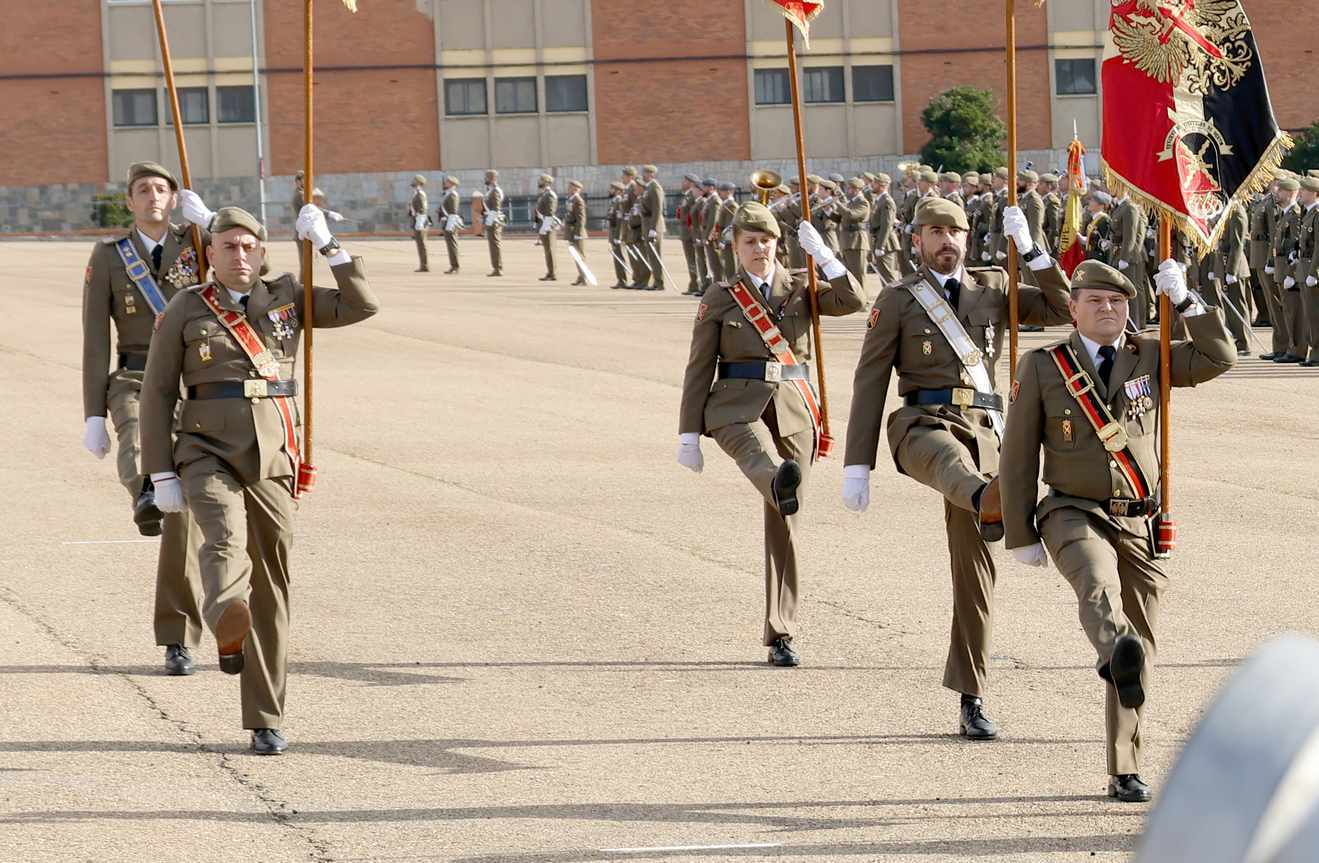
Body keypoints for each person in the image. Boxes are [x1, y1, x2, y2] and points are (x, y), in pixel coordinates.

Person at [141, 202, 379, 754]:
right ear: (211, 252)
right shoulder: (186, 306)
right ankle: (225, 614)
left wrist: (328, 246)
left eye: (249, 245)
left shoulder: (288, 297)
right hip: (204, 447)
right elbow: (156, 393)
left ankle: (265, 716)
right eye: (228, 245)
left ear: (263, 253)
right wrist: (159, 471)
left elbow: (361, 305)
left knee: (274, 581)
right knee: (222, 537)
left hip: (272, 453)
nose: (239, 254)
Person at [1000, 258, 1235, 802]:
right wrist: (1020, 532)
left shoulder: (1150, 354)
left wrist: (1188, 303)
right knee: (1098, 587)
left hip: (1138, 517)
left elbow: (1219, 357)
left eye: (1119, 302)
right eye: (1097, 301)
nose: (1109, 310)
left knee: (1143, 643)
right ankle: (1112, 651)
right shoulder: (1042, 365)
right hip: (1071, 510)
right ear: (1074, 307)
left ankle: (1124, 765)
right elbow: (1017, 453)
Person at [841, 199, 1072, 739]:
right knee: (953, 468)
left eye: (956, 232)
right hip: (922, 423)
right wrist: (858, 464)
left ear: (968, 239)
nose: (947, 241)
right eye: (935, 232)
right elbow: (870, 380)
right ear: (916, 240)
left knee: (974, 573)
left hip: (988, 429)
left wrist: (1034, 251)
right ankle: (987, 498)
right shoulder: (897, 300)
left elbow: (1063, 309)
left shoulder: (994, 287)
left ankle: (972, 694)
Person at [677, 203, 865, 666]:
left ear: (778, 245)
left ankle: (781, 630)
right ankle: (776, 477)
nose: (759, 249)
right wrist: (687, 433)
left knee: (785, 517)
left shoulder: (803, 286)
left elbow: (854, 300)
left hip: (794, 405)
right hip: (735, 407)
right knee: (766, 465)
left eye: (766, 241)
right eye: (749, 242)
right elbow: (699, 364)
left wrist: (825, 256)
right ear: (736, 247)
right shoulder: (721, 295)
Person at [84, 161, 204, 676]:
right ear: (129, 202)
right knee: (137, 437)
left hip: (192, 386)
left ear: (174, 198)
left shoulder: (201, 242)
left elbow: (253, 284)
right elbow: (94, 338)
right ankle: (146, 493)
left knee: (186, 523)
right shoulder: (108, 257)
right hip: (134, 377)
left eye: (161, 188)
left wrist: (217, 224)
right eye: (142, 190)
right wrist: (92, 412)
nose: (152, 196)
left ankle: (177, 636)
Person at [868, 172, 900, 285]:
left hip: (886, 243)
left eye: (875, 183)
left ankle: (895, 302)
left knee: (888, 276)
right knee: (883, 275)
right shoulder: (880, 200)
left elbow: (886, 225)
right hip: (880, 240)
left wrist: (881, 245)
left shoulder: (887, 201)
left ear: (883, 185)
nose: (872, 185)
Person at [640, 165, 667, 291]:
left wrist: (653, 228)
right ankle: (656, 281)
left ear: (652, 174)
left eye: (646, 173)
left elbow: (657, 209)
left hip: (653, 225)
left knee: (655, 255)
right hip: (647, 224)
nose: (643, 175)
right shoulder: (648, 187)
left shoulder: (655, 187)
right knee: (651, 255)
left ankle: (659, 282)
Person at [677, 174, 701, 294]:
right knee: (690, 259)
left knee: (695, 258)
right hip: (685, 232)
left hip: (691, 232)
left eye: (685, 181)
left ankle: (696, 284)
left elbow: (694, 216)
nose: (683, 183)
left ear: (691, 183)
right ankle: (693, 283)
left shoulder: (693, 196)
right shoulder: (687, 196)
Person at [534, 173, 559, 282]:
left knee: (550, 250)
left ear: (547, 182)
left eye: (542, 180)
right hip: (543, 224)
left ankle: (553, 273)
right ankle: (549, 272)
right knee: (547, 250)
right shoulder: (543, 194)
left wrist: (544, 227)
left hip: (548, 225)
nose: (539, 182)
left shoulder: (550, 195)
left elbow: (550, 212)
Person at [436, 175, 462, 274]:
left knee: (452, 245)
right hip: (446, 221)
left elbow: (453, 212)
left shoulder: (453, 195)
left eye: (447, 182)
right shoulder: (448, 194)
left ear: (452, 184)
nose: (445, 183)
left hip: (450, 222)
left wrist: (450, 226)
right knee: (450, 245)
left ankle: (455, 266)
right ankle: (453, 265)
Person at [607, 181, 630, 289]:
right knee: (617, 257)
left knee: (619, 257)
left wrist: (619, 235)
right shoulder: (614, 201)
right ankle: (620, 279)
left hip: (617, 233)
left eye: (612, 188)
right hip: (613, 232)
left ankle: (623, 280)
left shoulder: (619, 201)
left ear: (618, 191)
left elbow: (620, 219)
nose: (609, 190)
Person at [483, 169, 505, 277]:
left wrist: (489, 221)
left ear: (493, 178)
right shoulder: (490, 190)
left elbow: (496, 208)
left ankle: (498, 268)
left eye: (488, 177)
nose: (486, 179)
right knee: (493, 245)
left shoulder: (495, 191)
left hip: (494, 221)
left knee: (495, 244)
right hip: (491, 219)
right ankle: (496, 267)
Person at [408, 174, 430, 273]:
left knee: (422, 244)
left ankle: (425, 266)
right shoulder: (416, 193)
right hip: (417, 220)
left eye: (414, 180)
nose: (412, 182)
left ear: (418, 182)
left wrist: (419, 223)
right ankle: (423, 265)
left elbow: (422, 209)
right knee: (420, 245)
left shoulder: (420, 194)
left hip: (420, 221)